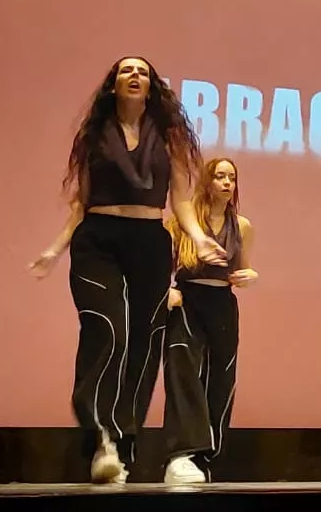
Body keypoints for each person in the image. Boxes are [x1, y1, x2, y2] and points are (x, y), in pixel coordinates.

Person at [29, 56, 225, 484]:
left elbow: (181, 200)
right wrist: (54, 249)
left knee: (143, 342)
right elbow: (80, 203)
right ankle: (99, 435)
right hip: (98, 239)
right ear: (113, 85)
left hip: (150, 244)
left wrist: (198, 236)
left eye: (142, 72)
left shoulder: (169, 137)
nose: (134, 76)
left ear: (152, 87)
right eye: (126, 71)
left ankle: (122, 442)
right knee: (106, 329)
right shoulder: (94, 134)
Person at [161, 157, 257, 485]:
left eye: (231, 177)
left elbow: (239, 271)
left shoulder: (241, 226)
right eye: (220, 176)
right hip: (188, 299)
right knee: (183, 372)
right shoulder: (183, 222)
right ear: (208, 181)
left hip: (222, 303)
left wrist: (249, 275)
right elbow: (160, 263)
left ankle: (207, 454)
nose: (227, 183)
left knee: (221, 376)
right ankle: (182, 452)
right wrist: (167, 291)